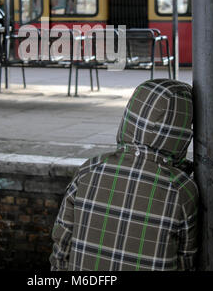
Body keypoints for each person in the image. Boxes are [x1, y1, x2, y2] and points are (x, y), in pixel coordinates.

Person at [50, 79, 198, 271]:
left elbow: (61, 249)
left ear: (130, 117)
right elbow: (187, 262)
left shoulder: (89, 171)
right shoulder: (182, 190)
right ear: (182, 131)